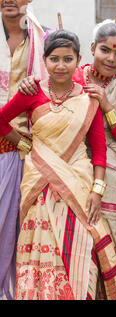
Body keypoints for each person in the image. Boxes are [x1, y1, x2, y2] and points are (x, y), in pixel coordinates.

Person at [0, 29, 116, 300]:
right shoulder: (31, 93)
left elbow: (99, 148)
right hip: (39, 182)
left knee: (80, 243)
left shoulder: (89, 98)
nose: (60, 65)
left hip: (79, 182)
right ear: (44, 61)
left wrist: (97, 189)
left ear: (78, 59)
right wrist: (25, 145)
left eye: (67, 59)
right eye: (54, 59)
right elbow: (1, 121)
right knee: (40, 242)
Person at [0, 0, 47, 300]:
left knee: (18, 231)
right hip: (13, 143)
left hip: (26, 151)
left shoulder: (42, 39)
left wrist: (23, 142)